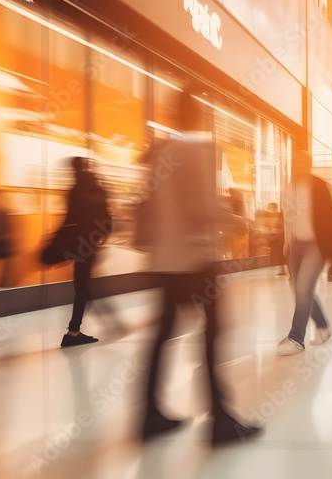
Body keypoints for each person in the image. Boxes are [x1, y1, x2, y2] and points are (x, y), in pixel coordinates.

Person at [138, 96, 261, 444]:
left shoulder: (160, 152)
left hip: (164, 262)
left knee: (162, 335)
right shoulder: (199, 149)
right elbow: (201, 208)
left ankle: (148, 414)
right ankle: (220, 421)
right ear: (201, 116)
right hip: (194, 261)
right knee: (213, 332)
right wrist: (237, 221)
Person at [277, 151, 332, 355]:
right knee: (299, 289)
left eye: (304, 162)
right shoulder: (289, 187)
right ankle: (323, 327)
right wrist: (287, 242)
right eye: (296, 161)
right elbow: (288, 218)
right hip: (296, 245)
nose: (299, 165)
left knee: (303, 289)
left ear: (310, 164)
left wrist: (331, 249)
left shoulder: (319, 186)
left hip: (316, 245)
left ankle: (297, 338)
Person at [59, 156, 112, 347]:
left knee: (82, 287)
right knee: (84, 287)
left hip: (77, 244)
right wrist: (102, 236)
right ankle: (74, 331)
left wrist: (60, 242)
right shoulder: (95, 188)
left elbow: (69, 218)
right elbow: (106, 215)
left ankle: (74, 331)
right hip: (90, 243)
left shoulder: (74, 190)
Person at [267, 202, 287, 275]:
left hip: (279, 238)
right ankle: (281, 269)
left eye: (270, 207)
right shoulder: (274, 216)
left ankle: (282, 269)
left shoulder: (278, 216)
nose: (269, 209)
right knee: (277, 254)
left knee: (280, 254)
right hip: (276, 238)